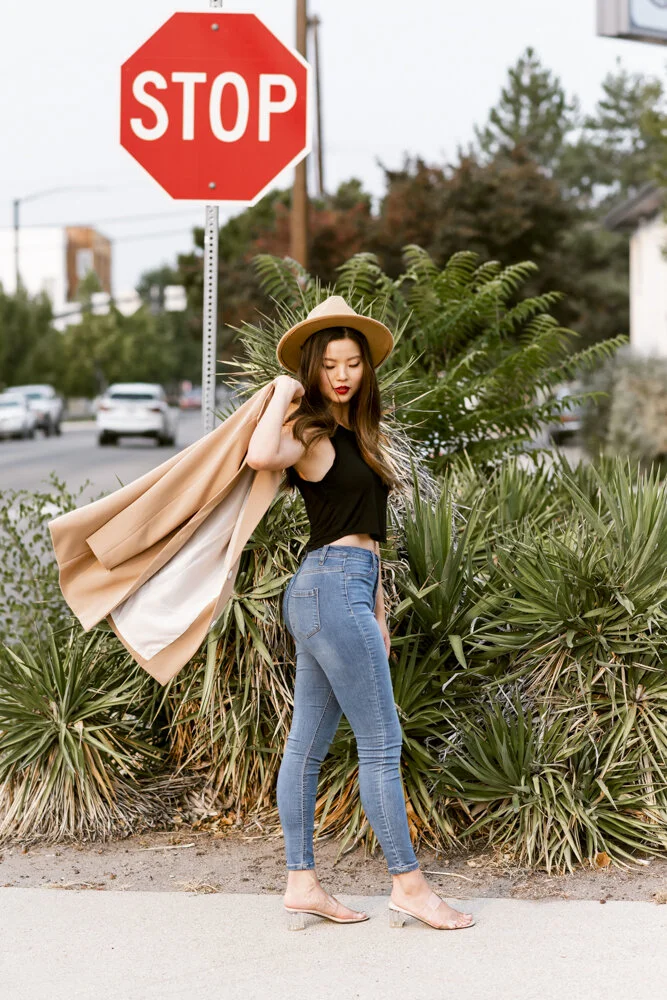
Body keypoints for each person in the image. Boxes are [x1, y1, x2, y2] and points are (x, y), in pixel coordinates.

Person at [246, 296, 475, 932]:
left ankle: (302, 883)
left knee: (308, 744)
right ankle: (409, 886)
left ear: (365, 369)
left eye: (352, 363)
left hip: (339, 590)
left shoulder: (355, 435)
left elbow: (366, 533)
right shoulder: (311, 433)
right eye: (329, 366)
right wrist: (282, 391)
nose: (342, 375)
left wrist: (378, 608)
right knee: (380, 744)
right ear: (313, 372)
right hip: (329, 587)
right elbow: (261, 456)